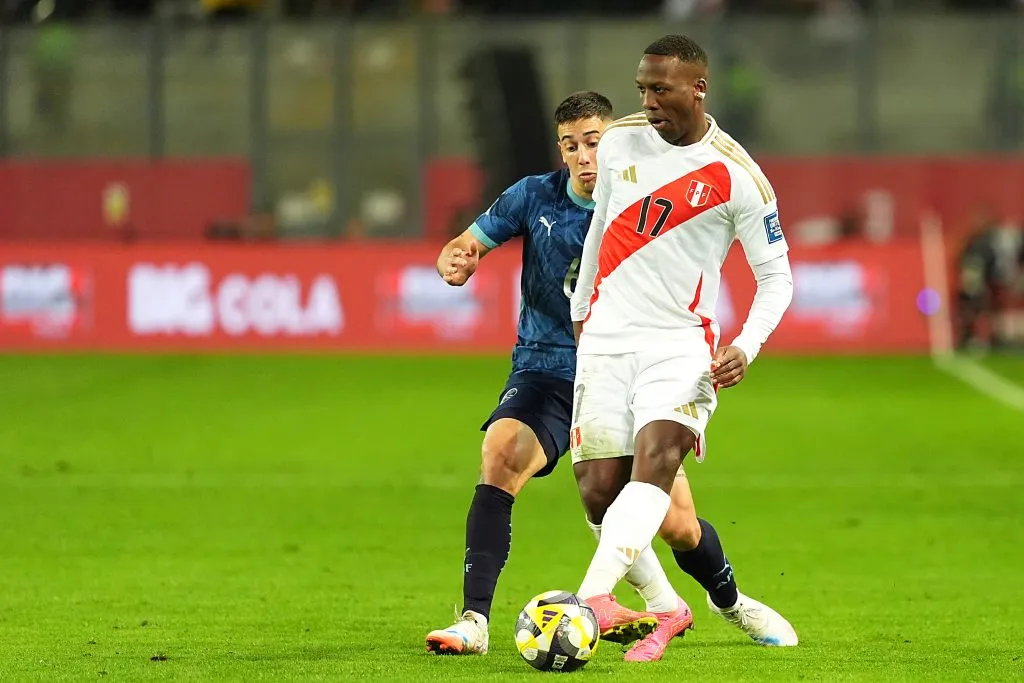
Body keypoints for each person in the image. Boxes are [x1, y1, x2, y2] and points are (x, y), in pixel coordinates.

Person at [425, 91, 695, 661]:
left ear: (615, 140)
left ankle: (727, 598)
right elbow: (469, 241)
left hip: (623, 372)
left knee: (678, 526)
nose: (583, 156)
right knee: (500, 454)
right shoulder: (534, 195)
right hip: (546, 366)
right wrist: (457, 255)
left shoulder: (648, 199)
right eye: (571, 145)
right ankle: (474, 620)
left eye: (594, 142)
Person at [568, 34, 800, 649]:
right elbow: (601, 227)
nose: (648, 101)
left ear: (698, 88)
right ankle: (678, 605)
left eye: (661, 90)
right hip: (607, 339)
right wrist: (581, 308)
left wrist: (746, 345)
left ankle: (588, 603)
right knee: (598, 490)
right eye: (642, 88)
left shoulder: (737, 174)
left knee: (657, 462)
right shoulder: (619, 140)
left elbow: (776, 278)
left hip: (680, 345)